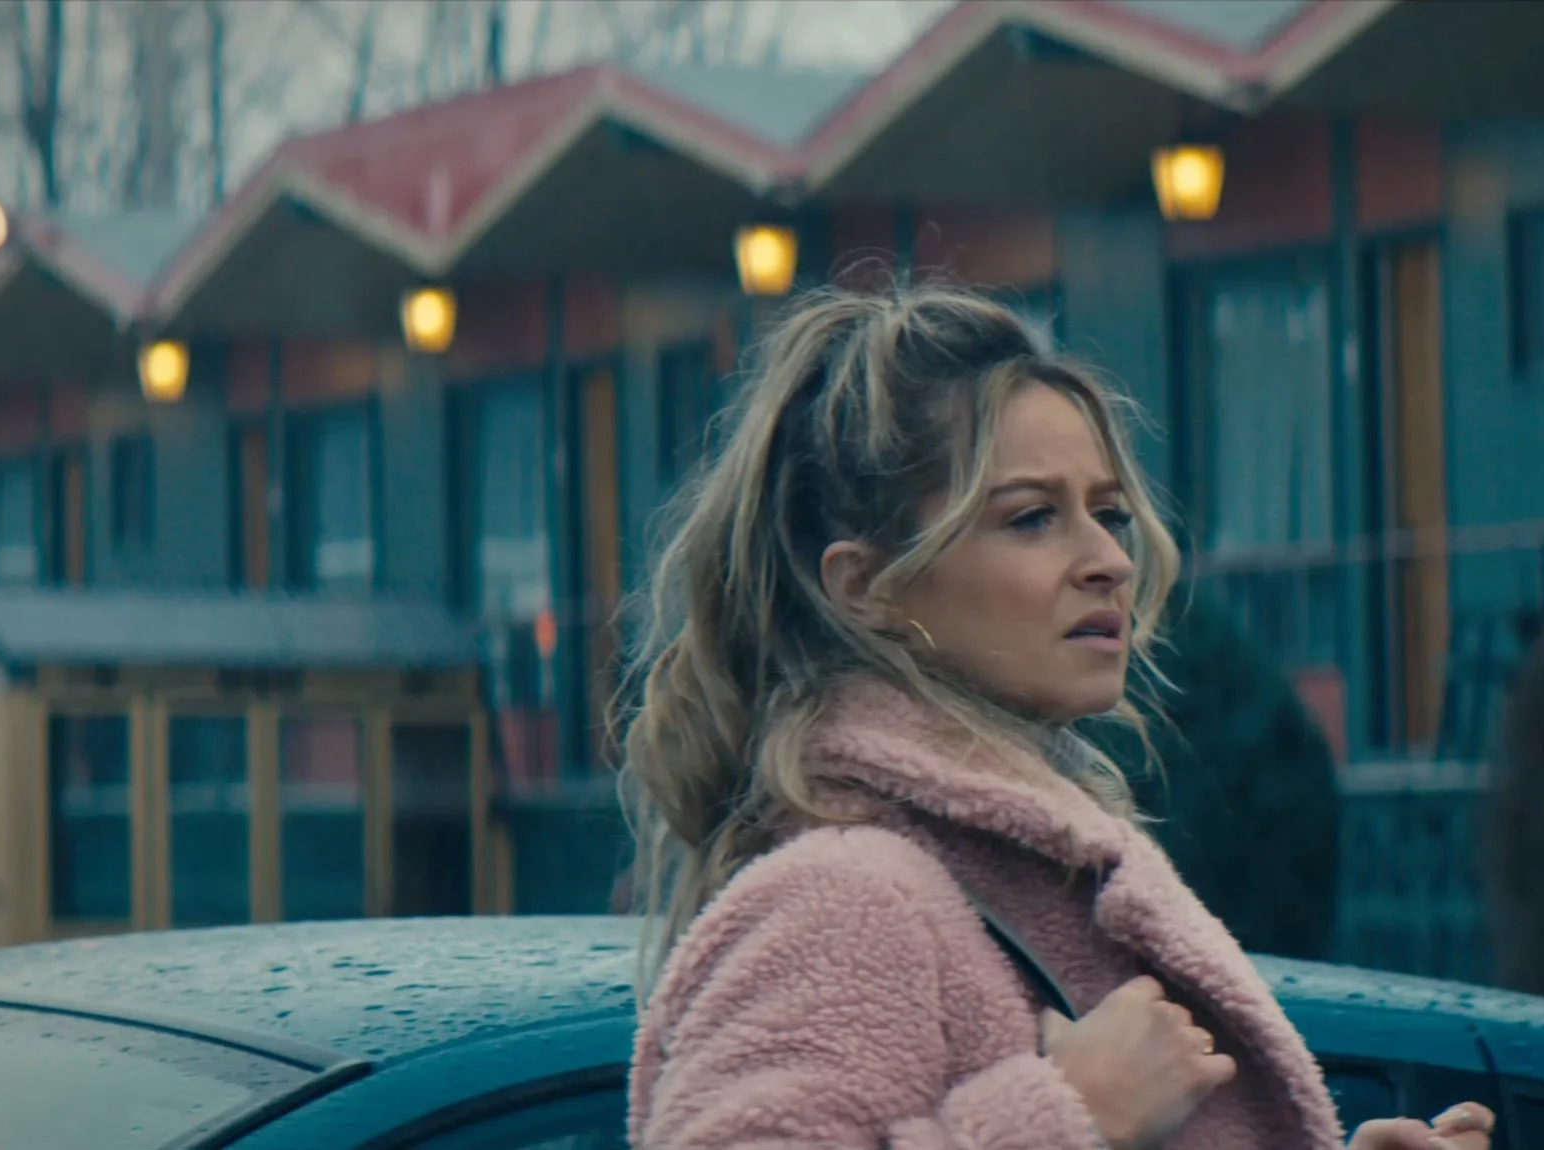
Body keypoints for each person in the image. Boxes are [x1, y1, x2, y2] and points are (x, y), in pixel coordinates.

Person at [619, 282, 1493, 1150]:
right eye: (1033, 517)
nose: (1111, 559)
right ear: (868, 587)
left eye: (1108, 514)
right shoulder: (846, 897)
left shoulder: (1024, 874)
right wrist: (1067, 1117)